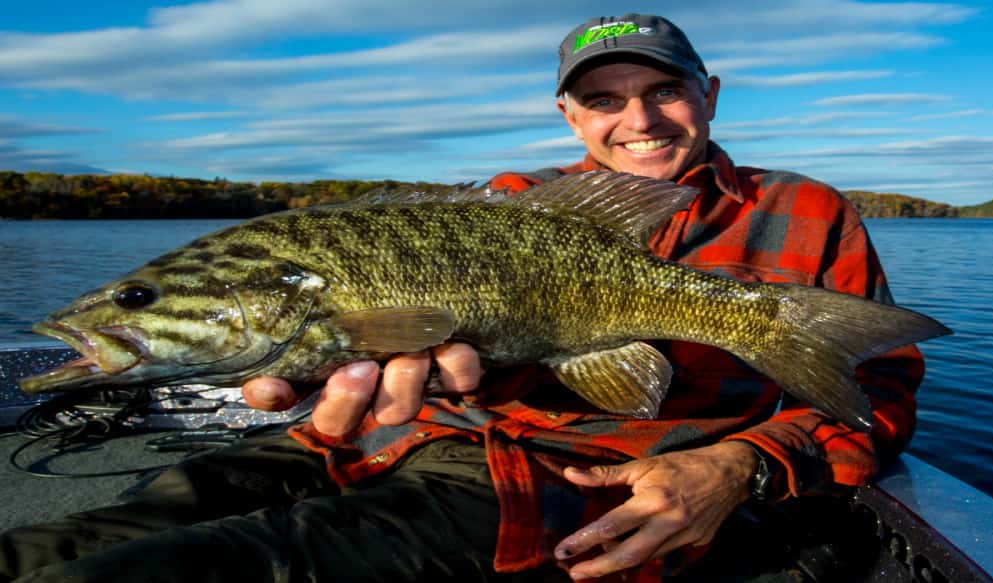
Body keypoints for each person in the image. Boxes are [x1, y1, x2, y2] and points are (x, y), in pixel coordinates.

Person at [0, 13, 926, 583]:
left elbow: (879, 394)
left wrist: (741, 464)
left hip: (571, 482)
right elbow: (421, 343)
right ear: (570, 116)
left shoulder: (804, 210)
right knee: (59, 542)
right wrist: (407, 388)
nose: (638, 120)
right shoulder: (515, 202)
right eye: (604, 99)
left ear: (709, 94)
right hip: (391, 441)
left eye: (664, 91)